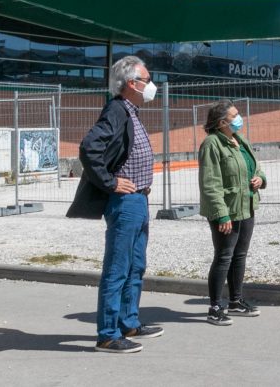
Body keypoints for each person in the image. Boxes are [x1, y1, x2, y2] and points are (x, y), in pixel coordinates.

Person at [67, 55, 163, 353]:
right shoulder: (117, 110)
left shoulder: (130, 111)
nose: (151, 86)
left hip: (139, 199)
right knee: (118, 268)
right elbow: (89, 148)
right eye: (147, 81)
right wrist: (109, 182)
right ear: (132, 84)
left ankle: (129, 322)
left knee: (136, 266)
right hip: (125, 201)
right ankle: (108, 334)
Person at [198, 100, 266, 326]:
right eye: (235, 115)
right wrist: (221, 214)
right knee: (224, 256)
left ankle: (236, 301)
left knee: (239, 255)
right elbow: (210, 183)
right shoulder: (212, 144)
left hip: (246, 206)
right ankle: (215, 307)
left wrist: (260, 179)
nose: (239, 118)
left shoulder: (240, 140)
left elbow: (254, 166)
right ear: (222, 122)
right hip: (227, 210)